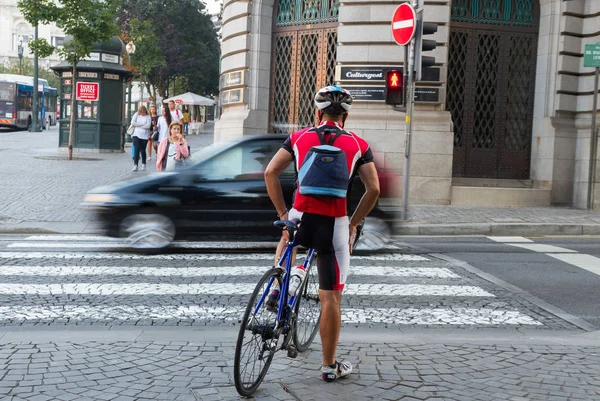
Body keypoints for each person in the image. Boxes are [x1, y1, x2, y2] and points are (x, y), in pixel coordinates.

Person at [264, 85, 380, 382]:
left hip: (300, 217)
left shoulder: (299, 137)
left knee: (287, 238)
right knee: (331, 298)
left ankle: (278, 284)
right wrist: (353, 223)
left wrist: (282, 215)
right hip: (333, 225)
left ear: (318, 113)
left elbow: (270, 173)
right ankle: (329, 367)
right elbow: (373, 190)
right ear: (346, 116)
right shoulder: (358, 145)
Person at [130, 105, 152, 172]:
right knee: (136, 149)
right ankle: (135, 165)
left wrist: (138, 125)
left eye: (144, 112)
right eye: (141, 112)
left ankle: (143, 164)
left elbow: (148, 126)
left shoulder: (148, 116)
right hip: (136, 135)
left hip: (144, 136)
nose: (142, 113)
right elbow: (132, 122)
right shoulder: (136, 114)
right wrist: (143, 124)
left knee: (142, 150)